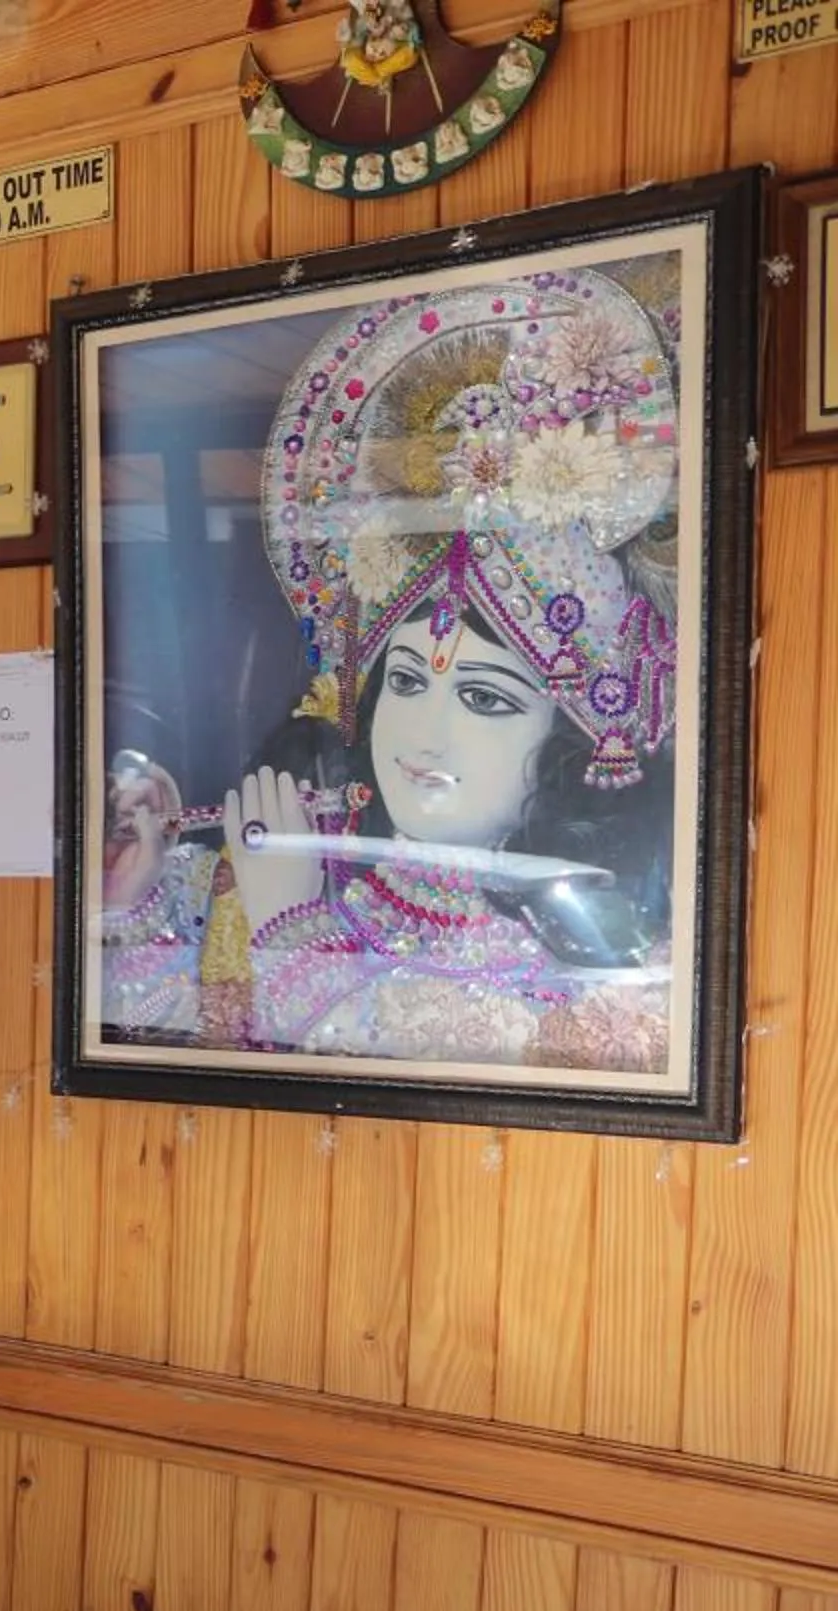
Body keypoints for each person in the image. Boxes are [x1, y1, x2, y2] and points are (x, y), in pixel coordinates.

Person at [97, 261, 683, 1076]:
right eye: (405, 682)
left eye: (483, 696)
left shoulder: (584, 935)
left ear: (586, 741)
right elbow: (161, 1037)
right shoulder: (319, 871)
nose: (419, 733)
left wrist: (291, 928)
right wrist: (138, 895)